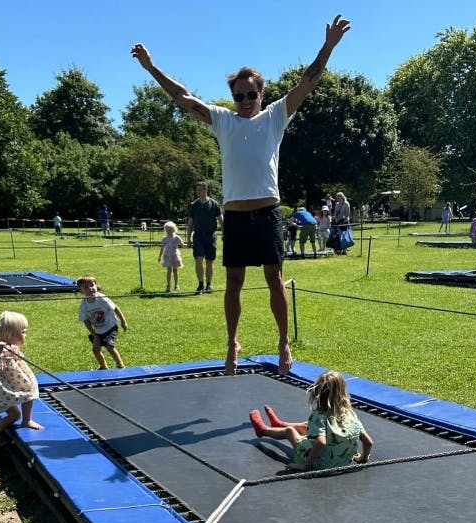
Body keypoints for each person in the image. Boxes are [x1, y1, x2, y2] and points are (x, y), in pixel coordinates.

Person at [132, 14, 350, 376]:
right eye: (239, 95)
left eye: (251, 94)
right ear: (233, 98)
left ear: (261, 94)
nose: (245, 100)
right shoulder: (223, 120)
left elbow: (308, 82)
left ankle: (284, 342)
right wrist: (151, 67)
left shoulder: (276, 116)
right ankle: (232, 342)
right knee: (233, 283)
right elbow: (183, 98)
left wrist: (328, 46)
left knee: (274, 279)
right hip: (234, 216)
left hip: (266, 214)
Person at [249, 371, 373, 471]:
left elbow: (321, 442)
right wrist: (363, 458)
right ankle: (279, 425)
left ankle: (263, 430)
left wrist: (305, 465)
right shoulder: (350, 413)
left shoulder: (319, 415)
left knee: (290, 431)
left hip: (322, 465)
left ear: (317, 392)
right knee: (309, 426)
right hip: (343, 462)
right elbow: (368, 442)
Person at [0, 311, 44, 446]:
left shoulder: (9, 345)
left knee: (29, 393)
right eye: (23, 332)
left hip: (13, 382)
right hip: (2, 388)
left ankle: (27, 420)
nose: (26, 335)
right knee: (14, 415)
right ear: (12, 334)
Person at [77, 275, 128, 369]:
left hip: (110, 327)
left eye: (92, 285)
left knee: (109, 346)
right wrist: (94, 334)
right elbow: (86, 321)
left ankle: (120, 365)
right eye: (86, 287)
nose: (90, 288)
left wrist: (123, 321)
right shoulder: (84, 305)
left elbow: (115, 308)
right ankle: (103, 365)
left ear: (96, 286)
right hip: (98, 331)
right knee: (95, 349)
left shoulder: (102, 299)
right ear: (81, 291)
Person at [187, 181, 223, 294]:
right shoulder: (194, 205)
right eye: (197, 190)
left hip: (210, 236)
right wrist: (188, 238)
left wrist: (225, 233)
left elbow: (221, 219)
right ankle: (200, 284)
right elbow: (190, 222)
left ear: (206, 190)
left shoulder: (214, 204)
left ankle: (208, 285)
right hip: (198, 236)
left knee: (209, 262)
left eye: (200, 190)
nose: (198, 192)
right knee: (198, 259)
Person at [158, 221, 187, 292]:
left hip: (175, 256)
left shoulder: (177, 237)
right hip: (167, 256)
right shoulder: (164, 238)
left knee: (175, 271)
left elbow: (183, 245)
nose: (168, 231)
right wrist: (159, 256)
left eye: (170, 229)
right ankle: (168, 285)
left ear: (174, 229)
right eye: (167, 230)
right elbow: (162, 248)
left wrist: (190, 244)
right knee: (169, 270)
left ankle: (176, 285)